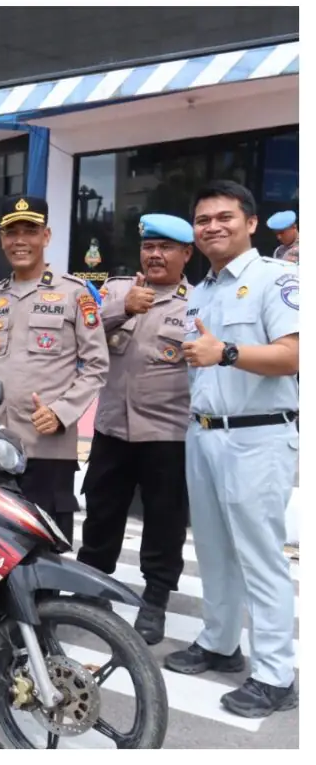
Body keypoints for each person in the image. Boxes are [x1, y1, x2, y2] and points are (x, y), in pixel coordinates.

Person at [163, 181, 299, 716]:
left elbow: (294, 356)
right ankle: (220, 643)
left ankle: (276, 675)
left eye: (225, 217)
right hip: (204, 433)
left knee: (259, 557)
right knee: (214, 549)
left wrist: (227, 352)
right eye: (203, 220)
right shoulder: (202, 290)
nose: (213, 227)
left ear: (252, 223)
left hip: (256, 436)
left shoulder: (278, 279)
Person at [76, 212, 197, 643]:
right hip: (112, 427)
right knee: (102, 511)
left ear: (186, 254)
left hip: (167, 433)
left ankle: (155, 599)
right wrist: (122, 309)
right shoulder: (116, 290)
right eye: (149, 247)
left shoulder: (197, 302)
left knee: (164, 519)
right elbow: (84, 336)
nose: (155, 255)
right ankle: (93, 586)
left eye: (166, 248)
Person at [0, 196, 108, 543]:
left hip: (47, 447)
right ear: (1, 239)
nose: (20, 240)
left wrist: (61, 412)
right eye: (12, 232)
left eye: (30, 231)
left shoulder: (75, 294)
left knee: (44, 547)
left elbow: (97, 365)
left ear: (46, 236)